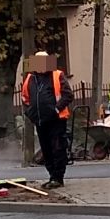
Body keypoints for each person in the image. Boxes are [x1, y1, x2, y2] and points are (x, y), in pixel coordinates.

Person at [21, 52, 73, 189]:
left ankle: (58, 178)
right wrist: (30, 113)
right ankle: (52, 176)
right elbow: (25, 98)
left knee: (58, 148)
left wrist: (56, 109)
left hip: (57, 120)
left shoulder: (57, 75)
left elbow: (68, 95)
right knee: (46, 149)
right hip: (40, 120)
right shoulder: (30, 79)